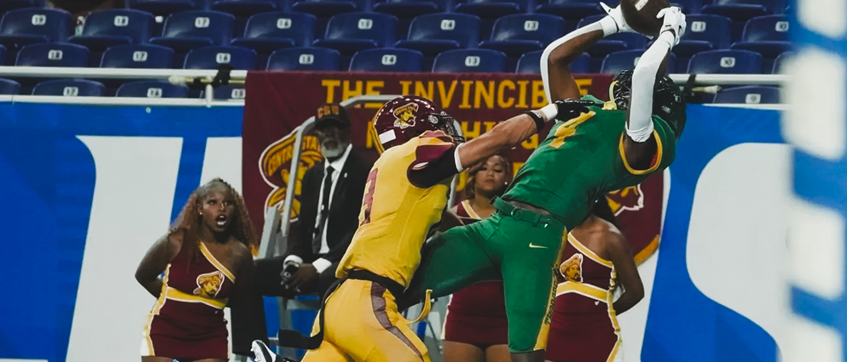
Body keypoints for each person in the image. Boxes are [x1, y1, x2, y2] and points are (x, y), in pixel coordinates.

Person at [398, 5, 692, 362]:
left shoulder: (647, 142)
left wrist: (668, 34)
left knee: (525, 354)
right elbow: (554, 58)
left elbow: (646, 73)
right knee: (392, 282)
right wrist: (613, 23)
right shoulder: (589, 108)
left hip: (537, 236)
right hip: (497, 222)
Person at [251, 95, 588, 362]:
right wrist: (550, 111)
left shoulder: (391, 169)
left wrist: (500, 240)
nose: (444, 129)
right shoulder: (417, 154)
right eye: (435, 124)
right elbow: (497, 139)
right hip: (369, 300)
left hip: (337, 303)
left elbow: (450, 226)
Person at [135, 178, 267, 362]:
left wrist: (206, 302)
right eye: (212, 202)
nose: (221, 208)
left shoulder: (240, 254)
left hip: (209, 335)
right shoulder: (175, 242)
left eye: (227, 203)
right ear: (199, 209)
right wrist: (177, 303)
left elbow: (240, 301)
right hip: (165, 329)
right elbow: (143, 275)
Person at [254, 104, 372, 300]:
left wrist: (318, 267)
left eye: (336, 127)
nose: (329, 134)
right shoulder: (312, 175)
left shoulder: (365, 171)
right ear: (316, 135)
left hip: (346, 260)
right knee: (253, 272)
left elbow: (360, 229)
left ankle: (325, 332)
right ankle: (253, 332)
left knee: (327, 279)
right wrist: (293, 260)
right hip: (309, 259)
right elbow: (302, 226)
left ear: (348, 131)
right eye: (323, 129)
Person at [545, 199, 644, 362]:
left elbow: (635, 292)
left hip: (598, 339)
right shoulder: (553, 234)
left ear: (595, 195)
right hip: (556, 337)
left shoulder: (610, 237)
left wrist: (602, 313)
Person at [444, 154, 514, 362]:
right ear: (473, 176)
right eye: (484, 168)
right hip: (463, 314)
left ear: (506, 179)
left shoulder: (514, 218)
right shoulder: (453, 215)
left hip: (505, 318)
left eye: (497, 169)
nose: (490, 173)